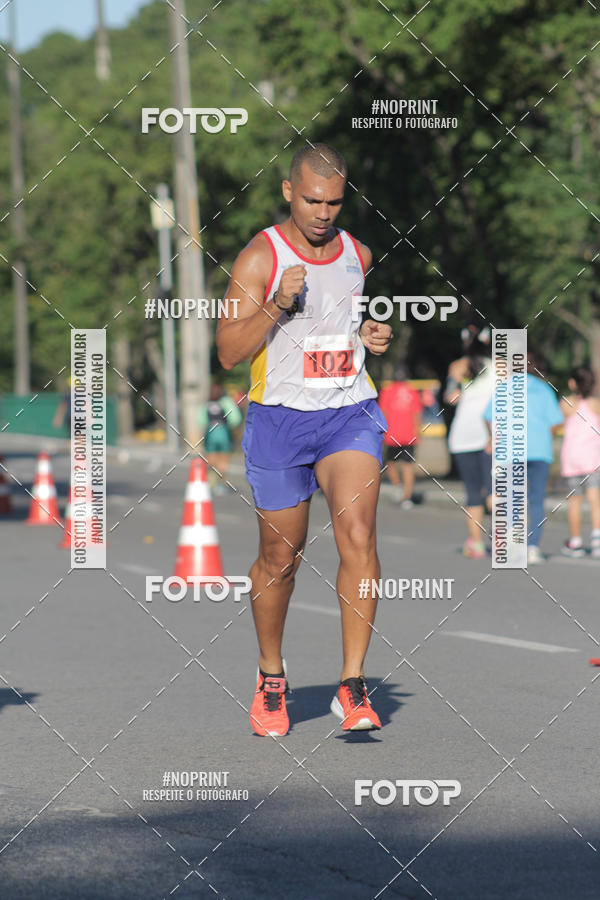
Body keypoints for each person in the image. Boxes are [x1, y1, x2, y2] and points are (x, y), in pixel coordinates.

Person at [216, 143, 392, 736]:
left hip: (348, 412)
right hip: (279, 420)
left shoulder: (357, 253)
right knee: (279, 558)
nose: (323, 213)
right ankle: (271, 677)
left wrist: (370, 334)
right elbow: (229, 353)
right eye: (313, 200)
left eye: (334, 202)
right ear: (289, 191)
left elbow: (347, 323)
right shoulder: (259, 258)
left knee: (360, 534)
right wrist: (276, 304)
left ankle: (352, 683)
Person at [483, 350, 563, 565]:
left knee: (512, 497)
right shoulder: (544, 388)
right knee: (536, 499)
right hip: (539, 451)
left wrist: (494, 437)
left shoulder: (504, 387)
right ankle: (533, 547)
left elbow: (489, 417)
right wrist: (545, 438)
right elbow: (555, 422)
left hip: (511, 450)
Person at [445, 336, 494, 558]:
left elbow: (451, 397)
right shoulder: (500, 367)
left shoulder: (457, 366)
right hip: (490, 432)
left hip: (462, 434)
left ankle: (477, 544)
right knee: (496, 491)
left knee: (473, 492)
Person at [559, 366, 600, 558]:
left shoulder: (566, 403)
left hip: (572, 459)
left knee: (574, 501)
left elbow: (557, 424)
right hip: (592, 458)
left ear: (573, 383)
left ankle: (575, 542)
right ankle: (597, 539)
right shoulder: (596, 404)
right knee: (595, 500)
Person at [377, 364, 422, 507]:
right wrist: (418, 433)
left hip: (392, 434)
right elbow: (417, 414)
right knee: (408, 466)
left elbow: (383, 413)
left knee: (390, 463)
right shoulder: (413, 392)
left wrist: (381, 431)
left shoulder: (387, 391)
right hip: (409, 435)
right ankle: (407, 498)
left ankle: (397, 486)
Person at [197, 383, 243, 494]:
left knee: (211, 459)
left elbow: (200, 420)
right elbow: (235, 419)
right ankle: (220, 484)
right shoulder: (226, 402)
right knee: (223, 461)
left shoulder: (206, 404)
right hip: (223, 432)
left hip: (211, 432)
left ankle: (210, 483)